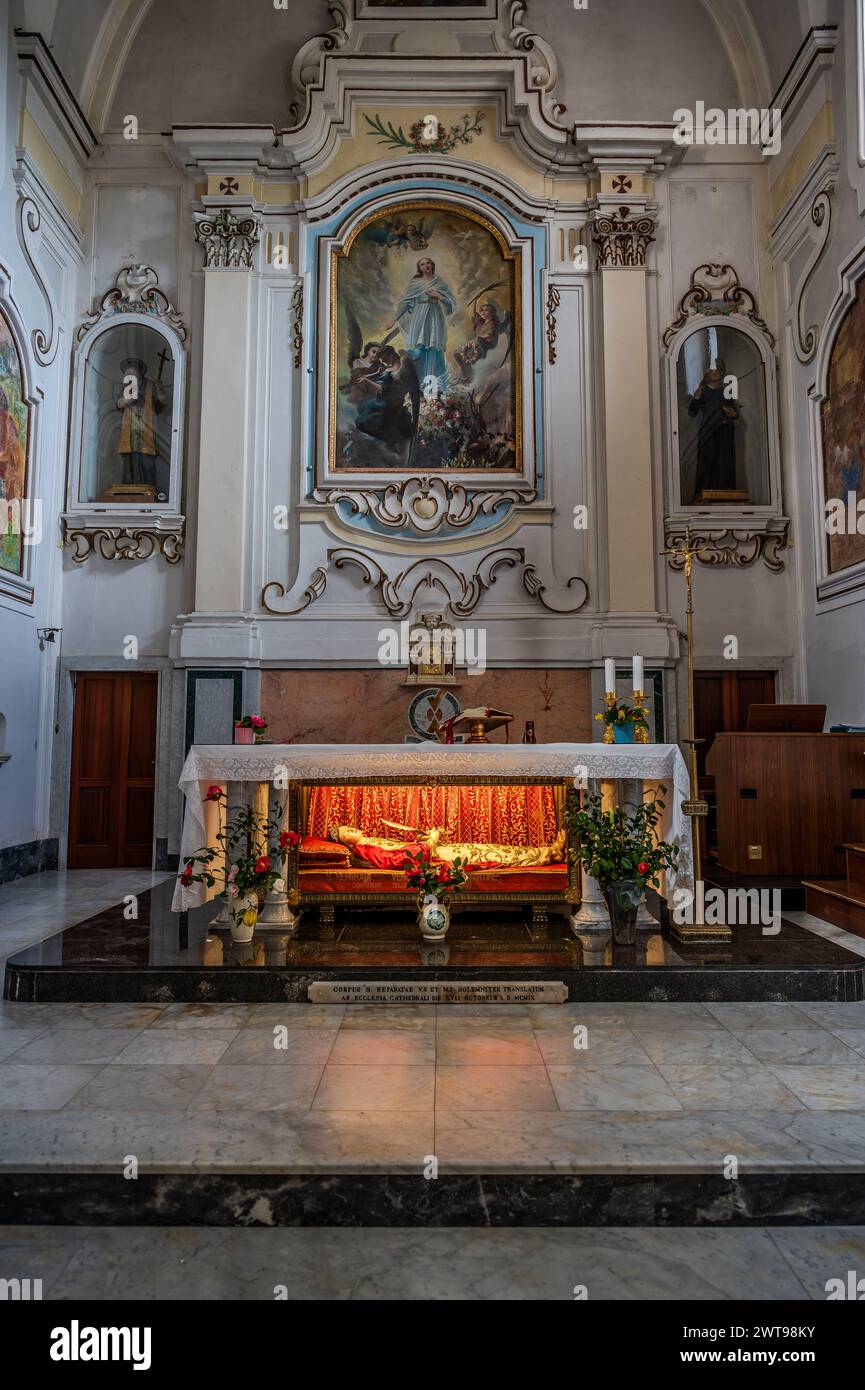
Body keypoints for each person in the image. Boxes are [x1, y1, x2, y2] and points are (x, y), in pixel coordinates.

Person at [386, 258, 455, 392]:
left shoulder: (439, 282)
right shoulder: (415, 283)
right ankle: (417, 386)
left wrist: (439, 296)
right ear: (419, 268)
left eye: (428, 263)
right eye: (422, 264)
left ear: (432, 265)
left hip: (435, 317)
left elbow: (451, 304)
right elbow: (405, 303)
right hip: (419, 317)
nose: (426, 266)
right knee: (418, 350)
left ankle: (434, 388)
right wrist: (394, 319)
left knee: (434, 349)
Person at [687, 359, 740, 495]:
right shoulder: (703, 390)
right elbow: (692, 412)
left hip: (724, 432)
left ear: (722, 372)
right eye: (711, 370)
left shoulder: (726, 391)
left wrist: (732, 413)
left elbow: (734, 411)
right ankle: (705, 492)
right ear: (706, 373)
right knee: (707, 461)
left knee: (724, 462)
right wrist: (697, 398)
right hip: (708, 431)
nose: (714, 373)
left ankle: (725, 492)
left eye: (717, 370)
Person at [116, 357, 165, 489]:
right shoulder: (127, 387)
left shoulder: (150, 385)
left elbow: (160, 403)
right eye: (128, 374)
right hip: (130, 430)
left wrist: (159, 390)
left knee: (146, 463)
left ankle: (149, 490)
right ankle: (129, 490)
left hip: (146, 430)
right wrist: (128, 399)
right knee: (130, 464)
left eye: (132, 373)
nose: (130, 375)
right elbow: (119, 403)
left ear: (139, 372)